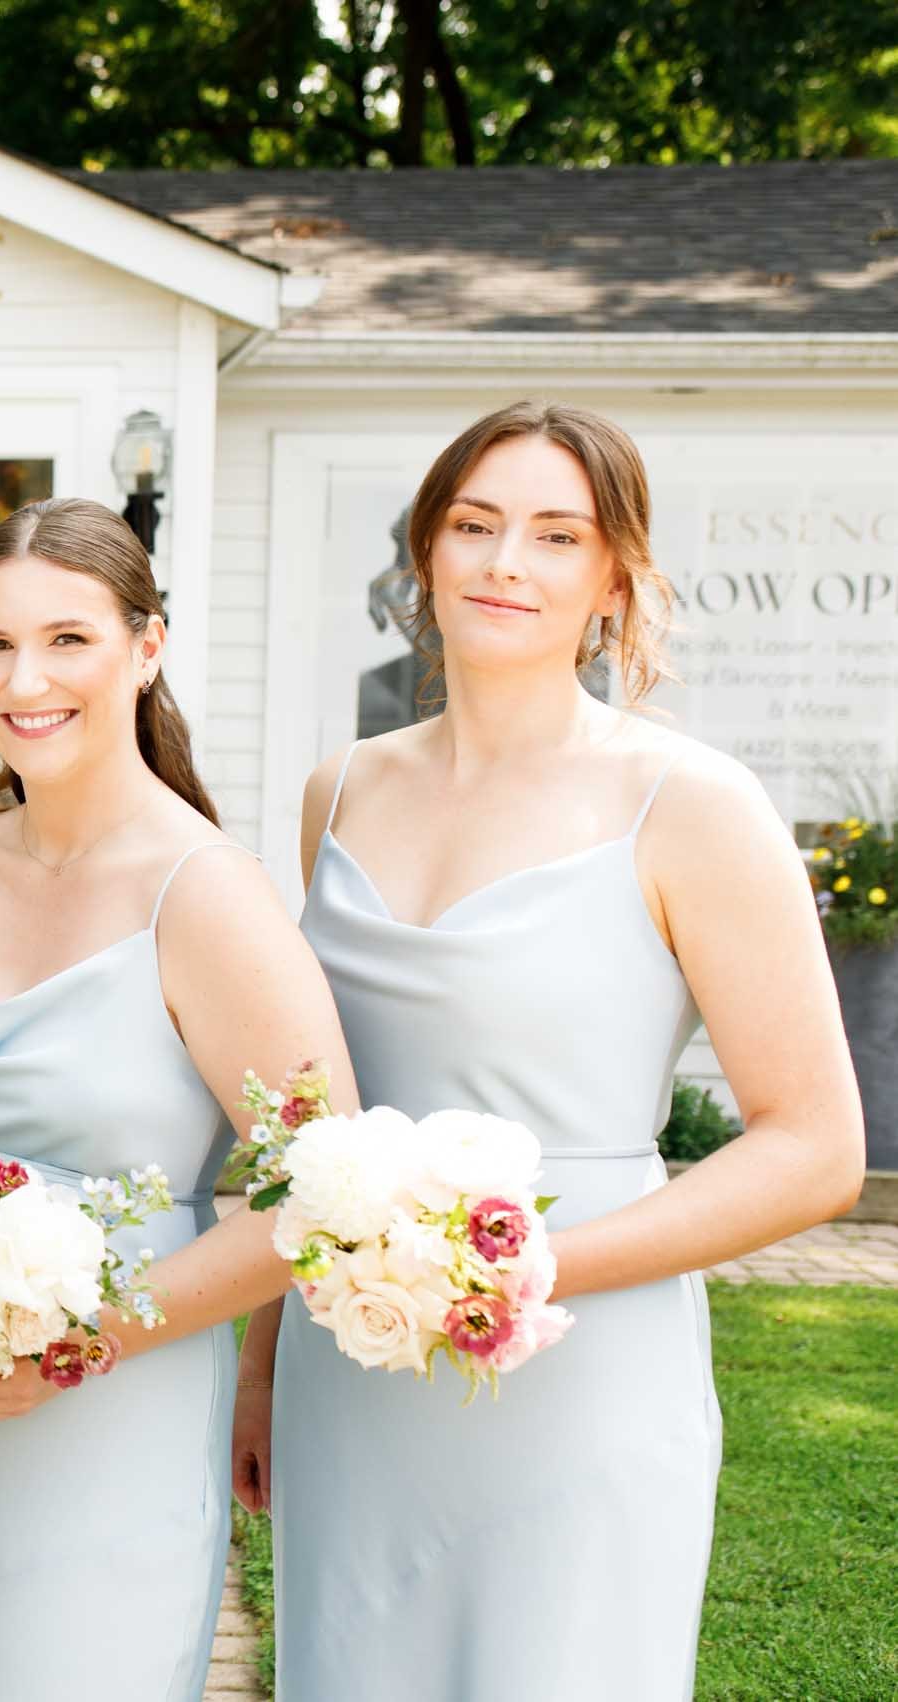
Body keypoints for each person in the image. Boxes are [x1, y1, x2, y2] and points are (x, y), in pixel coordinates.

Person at [268, 400, 865, 1699]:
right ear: (425, 552)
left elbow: (817, 1144)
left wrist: (526, 1274)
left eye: (555, 534)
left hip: (581, 1360)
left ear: (614, 578)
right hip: (354, 1370)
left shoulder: (690, 804)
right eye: (475, 525)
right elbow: (310, 1121)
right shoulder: (340, 789)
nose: (504, 564)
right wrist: (267, 1365)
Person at [0, 497, 352, 1701]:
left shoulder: (204, 892)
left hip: (114, 1404)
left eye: (68, 639)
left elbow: (325, 1193)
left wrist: (75, 1341)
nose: (24, 680)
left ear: (145, 646)